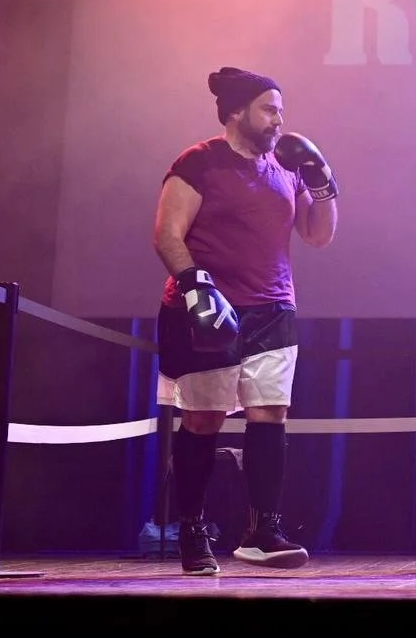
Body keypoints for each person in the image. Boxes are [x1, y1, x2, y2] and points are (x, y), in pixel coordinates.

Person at [153, 66, 339, 576]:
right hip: (208, 307)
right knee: (203, 420)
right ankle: (191, 528)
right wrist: (196, 287)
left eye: (281, 110)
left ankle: (262, 533)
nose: (279, 120)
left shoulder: (287, 165)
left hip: (274, 308)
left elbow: (318, 235)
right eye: (269, 110)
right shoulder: (199, 161)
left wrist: (324, 183)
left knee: (271, 414)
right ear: (237, 112)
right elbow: (167, 233)